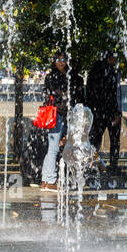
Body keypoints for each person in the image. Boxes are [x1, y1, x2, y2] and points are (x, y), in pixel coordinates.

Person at [40, 50, 85, 191]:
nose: (61, 62)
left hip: (63, 115)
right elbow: (57, 95)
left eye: (64, 59)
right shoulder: (52, 77)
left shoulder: (69, 77)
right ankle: (51, 180)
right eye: (58, 59)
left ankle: (45, 180)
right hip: (56, 115)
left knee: (54, 148)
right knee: (53, 148)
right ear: (54, 61)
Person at [86, 51, 121, 170]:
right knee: (114, 140)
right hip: (108, 111)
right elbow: (112, 94)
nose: (115, 60)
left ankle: (92, 163)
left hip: (97, 111)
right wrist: (116, 113)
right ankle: (113, 166)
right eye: (114, 57)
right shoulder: (110, 72)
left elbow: (91, 92)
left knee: (95, 139)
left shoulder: (95, 71)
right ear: (110, 58)